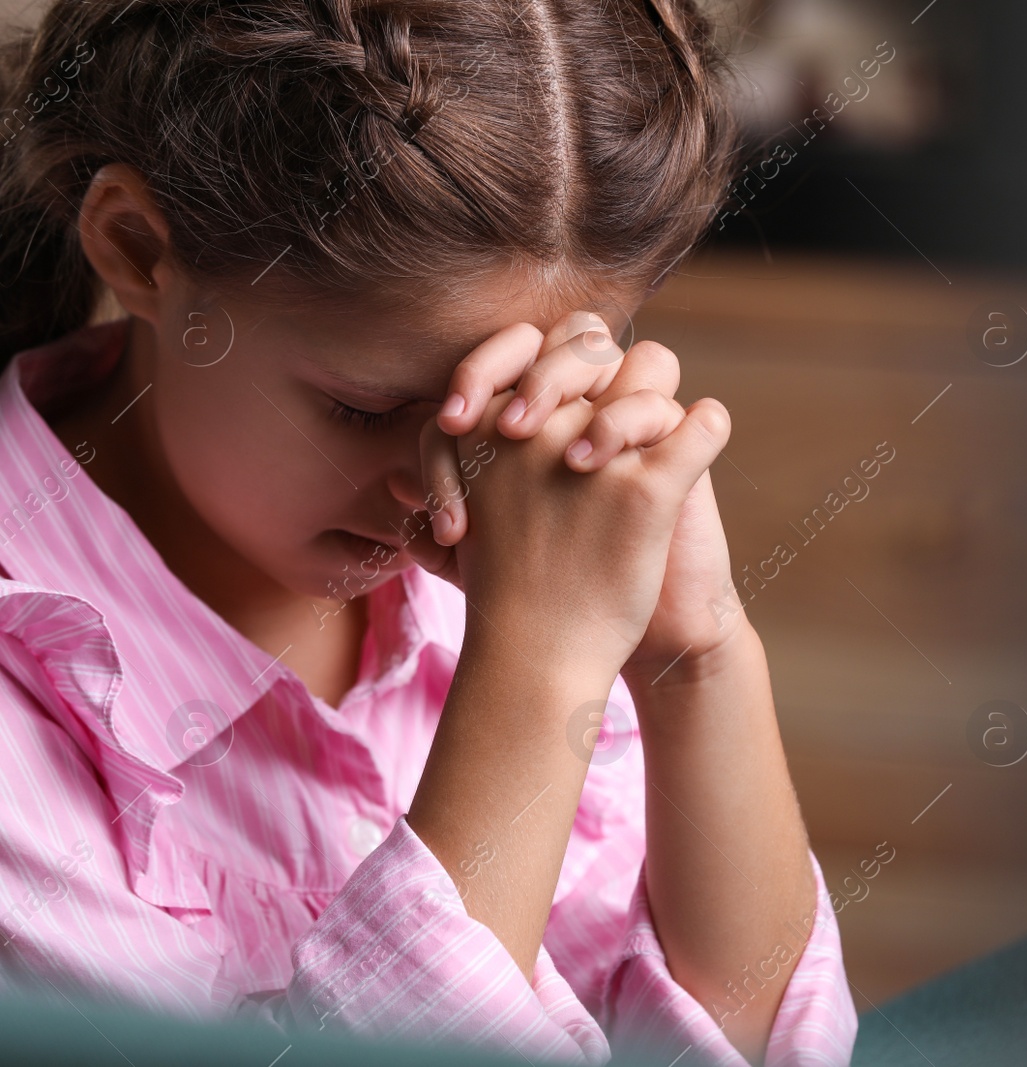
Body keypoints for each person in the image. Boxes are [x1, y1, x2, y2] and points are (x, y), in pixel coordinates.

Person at [0, 2, 856, 1064]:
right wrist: (535, 668)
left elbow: (750, 1043)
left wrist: (695, 657)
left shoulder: (526, 566)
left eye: (509, 412)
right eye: (363, 408)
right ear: (136, 249)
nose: (443, 496)